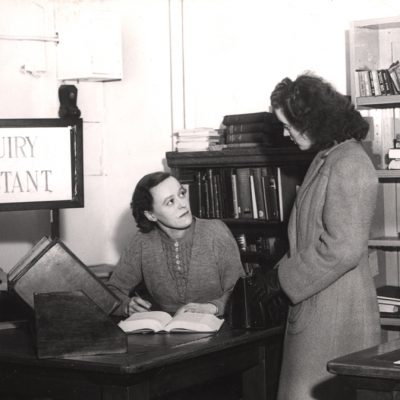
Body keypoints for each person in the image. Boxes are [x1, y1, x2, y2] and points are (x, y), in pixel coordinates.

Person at [254, 73, 381, 400]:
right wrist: (273, 276)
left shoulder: (349, 162)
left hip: (336, 317)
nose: (285, 132)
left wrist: (280, 279)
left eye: (288, 124)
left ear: (311, 120)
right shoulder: (329, 156)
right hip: (321, 307)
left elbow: (343, 248)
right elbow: (310, 238)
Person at [107, 171, 244, 318]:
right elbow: (112, 291)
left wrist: (213, 307)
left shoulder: (216, 231)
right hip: (169, 334)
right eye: (170, 202)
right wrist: (127, 305)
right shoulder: (142, 242)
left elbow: (241, 291)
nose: (183, 204)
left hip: (221, 327)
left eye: (182, 194)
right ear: (151, 215)